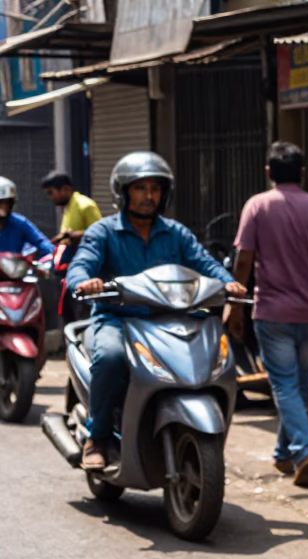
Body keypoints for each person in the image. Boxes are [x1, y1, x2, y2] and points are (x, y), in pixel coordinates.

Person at [66, 152, 246, 470]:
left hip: (170, 320)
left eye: (155, 189)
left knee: (213, 354)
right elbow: (80, 266)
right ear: (123, 192)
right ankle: (99, 437)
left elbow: (204, 263)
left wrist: (228, 283)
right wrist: (85, 282)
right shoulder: (103, 232)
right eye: (140, 188)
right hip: (117, 319)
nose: (149, 196)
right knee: (109, 358)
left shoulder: (176, 232)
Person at [224, 141, 308, 487]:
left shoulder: (257, 206)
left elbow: (243, 260)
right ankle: (283, 454)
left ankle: (304, 451)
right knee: (298, 384)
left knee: (285, 386)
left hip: (272, 313)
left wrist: (233, 304)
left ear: (269, 172)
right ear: (302, 172)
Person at [42, 170, 102, 322]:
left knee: (80, 316)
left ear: (65, 189)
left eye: (51, 193)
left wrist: (74, 236)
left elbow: (100, 235)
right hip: (67, 273)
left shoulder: (85, 205)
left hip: (84, 273)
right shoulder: (69, 207)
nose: (50, 198)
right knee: (68, 315)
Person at [0, 176, 55, 259]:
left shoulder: (19, 223)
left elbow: (41, 242)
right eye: (1, 202)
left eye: (8, 202)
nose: (4, 207)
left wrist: (52, 253)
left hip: (13, 270)